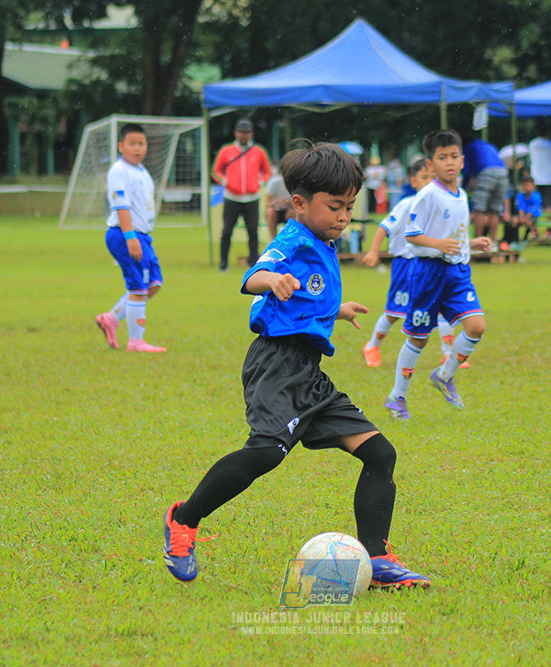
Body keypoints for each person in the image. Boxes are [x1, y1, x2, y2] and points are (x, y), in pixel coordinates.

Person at [161, 141, 430, 589]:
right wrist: (273, 279)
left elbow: (309, 296)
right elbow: (253, 277)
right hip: (276, 366)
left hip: (308, 371)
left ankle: (378, 560)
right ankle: (183, 520)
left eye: (349, 207)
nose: (344, 217)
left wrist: (334, 311)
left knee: (380, 454)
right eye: (335, 207)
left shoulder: (323, 239)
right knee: (266, 452)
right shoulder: (293, 238)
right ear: (300, 204)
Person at [384, 129, 491, 420]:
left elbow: (452, 236)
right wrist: (439, 245)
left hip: (457, 272)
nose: (449, 162)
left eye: (454, 156)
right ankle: (397, 396)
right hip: (428, 274)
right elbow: (412, 234)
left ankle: (444, 376)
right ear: (430, 164)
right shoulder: (427, 195)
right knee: (419, 338)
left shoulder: (462, 195)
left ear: (462, 159)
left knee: (476, 327)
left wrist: (472, 244)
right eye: (442, 158)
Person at [93, 123, 167, 354]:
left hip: (142, 237)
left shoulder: (141, 170)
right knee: (138, 287)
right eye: (132, 143)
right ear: (121, 146)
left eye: (141, 143)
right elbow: (121, 206)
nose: (137, 148)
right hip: (126, 235)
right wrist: (130, 237)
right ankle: (136, 342)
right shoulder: (119, 171)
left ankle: (111, 318)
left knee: (153, 285)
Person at [360, 158, 434, 367]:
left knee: (438, 307)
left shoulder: (437, 206)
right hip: (405, 264)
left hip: (428, 265)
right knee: (395, 312)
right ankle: (372, 345)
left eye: (434, 178)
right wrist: (374, 252)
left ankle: (448, 353)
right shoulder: (406, 205)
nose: (430, 183)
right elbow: (384, 227)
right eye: (425, 177)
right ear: (413, 181)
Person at [211, 118, 271, 272]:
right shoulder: (226, 150)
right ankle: (223, 263)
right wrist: (225, 181)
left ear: (251, 134)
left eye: (246, 133)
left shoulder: (259, 152)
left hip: (252, 198)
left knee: (253, 231)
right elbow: (215, 171)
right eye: (240, 132)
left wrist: (261, 182)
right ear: (235, 133)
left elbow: (267, 172)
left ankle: (253, 263)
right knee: (227, 231)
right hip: (231, 197)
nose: (243, 136)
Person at [463, 137, 510, 244]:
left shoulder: (468, 147)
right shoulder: (490, 145)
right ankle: (492, 242)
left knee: (479, 209)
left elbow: (467, 170)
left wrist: (464, 186)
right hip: (503, 172)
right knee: (494, 209)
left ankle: (477, 243)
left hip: (486, 172)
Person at [528, 124, 551, 230]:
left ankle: (533, 229)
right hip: (550, 178)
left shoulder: (532, 144)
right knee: (549, 205)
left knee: (535, 204)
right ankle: (548, 229)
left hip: (536, 177)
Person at [264, 166, 291, 240]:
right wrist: (277, 202)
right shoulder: (274, 183)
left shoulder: (294, 184)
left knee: (293, 213)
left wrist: (288, 203)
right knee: (270, 212)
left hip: (289, 209)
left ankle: (290, 238)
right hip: (276, 209)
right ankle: (273, 239)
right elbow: (268, 203)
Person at [514, 176, 542, 243]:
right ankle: (515, 239)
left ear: (533, 186)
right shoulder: (520, 196)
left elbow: (534, 209)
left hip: (533, 216)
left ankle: (527, 238)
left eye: (528, 185)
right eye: (524, 185)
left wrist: (525, 218)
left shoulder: (536, 196)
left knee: (529, 222)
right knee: (514, 221)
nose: (526, 187)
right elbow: (521, 207)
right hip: (523, 215)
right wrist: (521, 218)